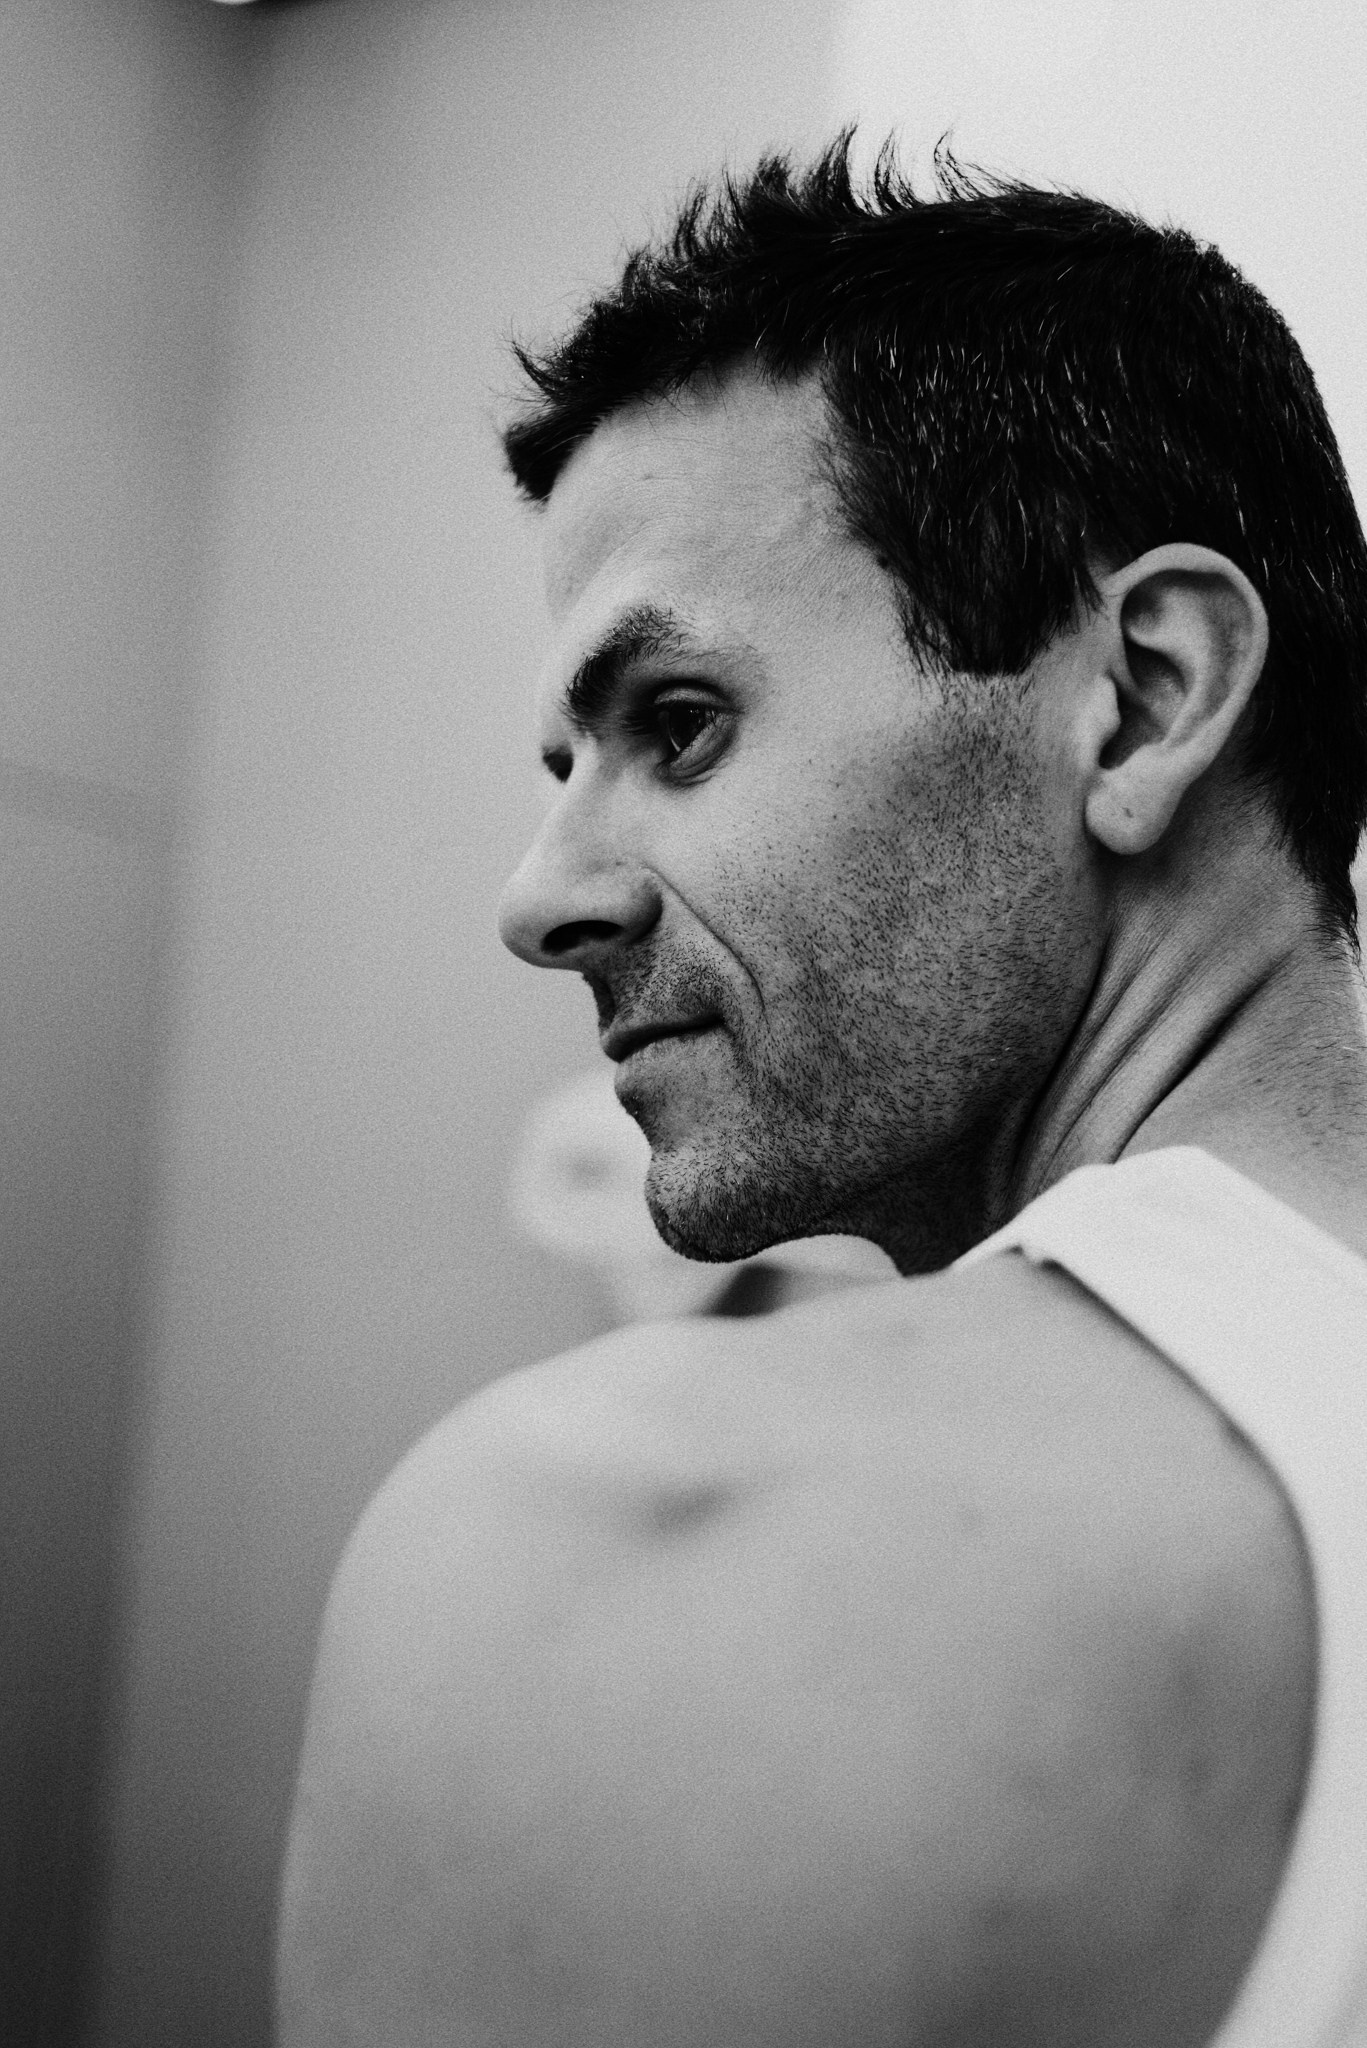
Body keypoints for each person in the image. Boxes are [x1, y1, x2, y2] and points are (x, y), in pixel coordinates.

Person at [277, 140, 1367, 2047]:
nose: (540, 899)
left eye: (679, 723)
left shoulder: (637, 1542)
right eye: (564, 771)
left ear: (1143, 695)